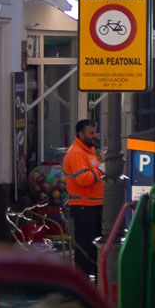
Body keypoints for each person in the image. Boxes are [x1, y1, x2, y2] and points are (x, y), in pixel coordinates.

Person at [63, 119, 105, 278]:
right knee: (85, 245)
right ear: (80, 134)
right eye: (91, 133)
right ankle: (82, 280)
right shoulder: (77, 153)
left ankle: (92, 278)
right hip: (83, 205)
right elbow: (83, 179)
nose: (95, 136)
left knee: (94, 244)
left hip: (92, 204)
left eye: (95, 132)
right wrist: (100, 171)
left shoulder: (88, 151)